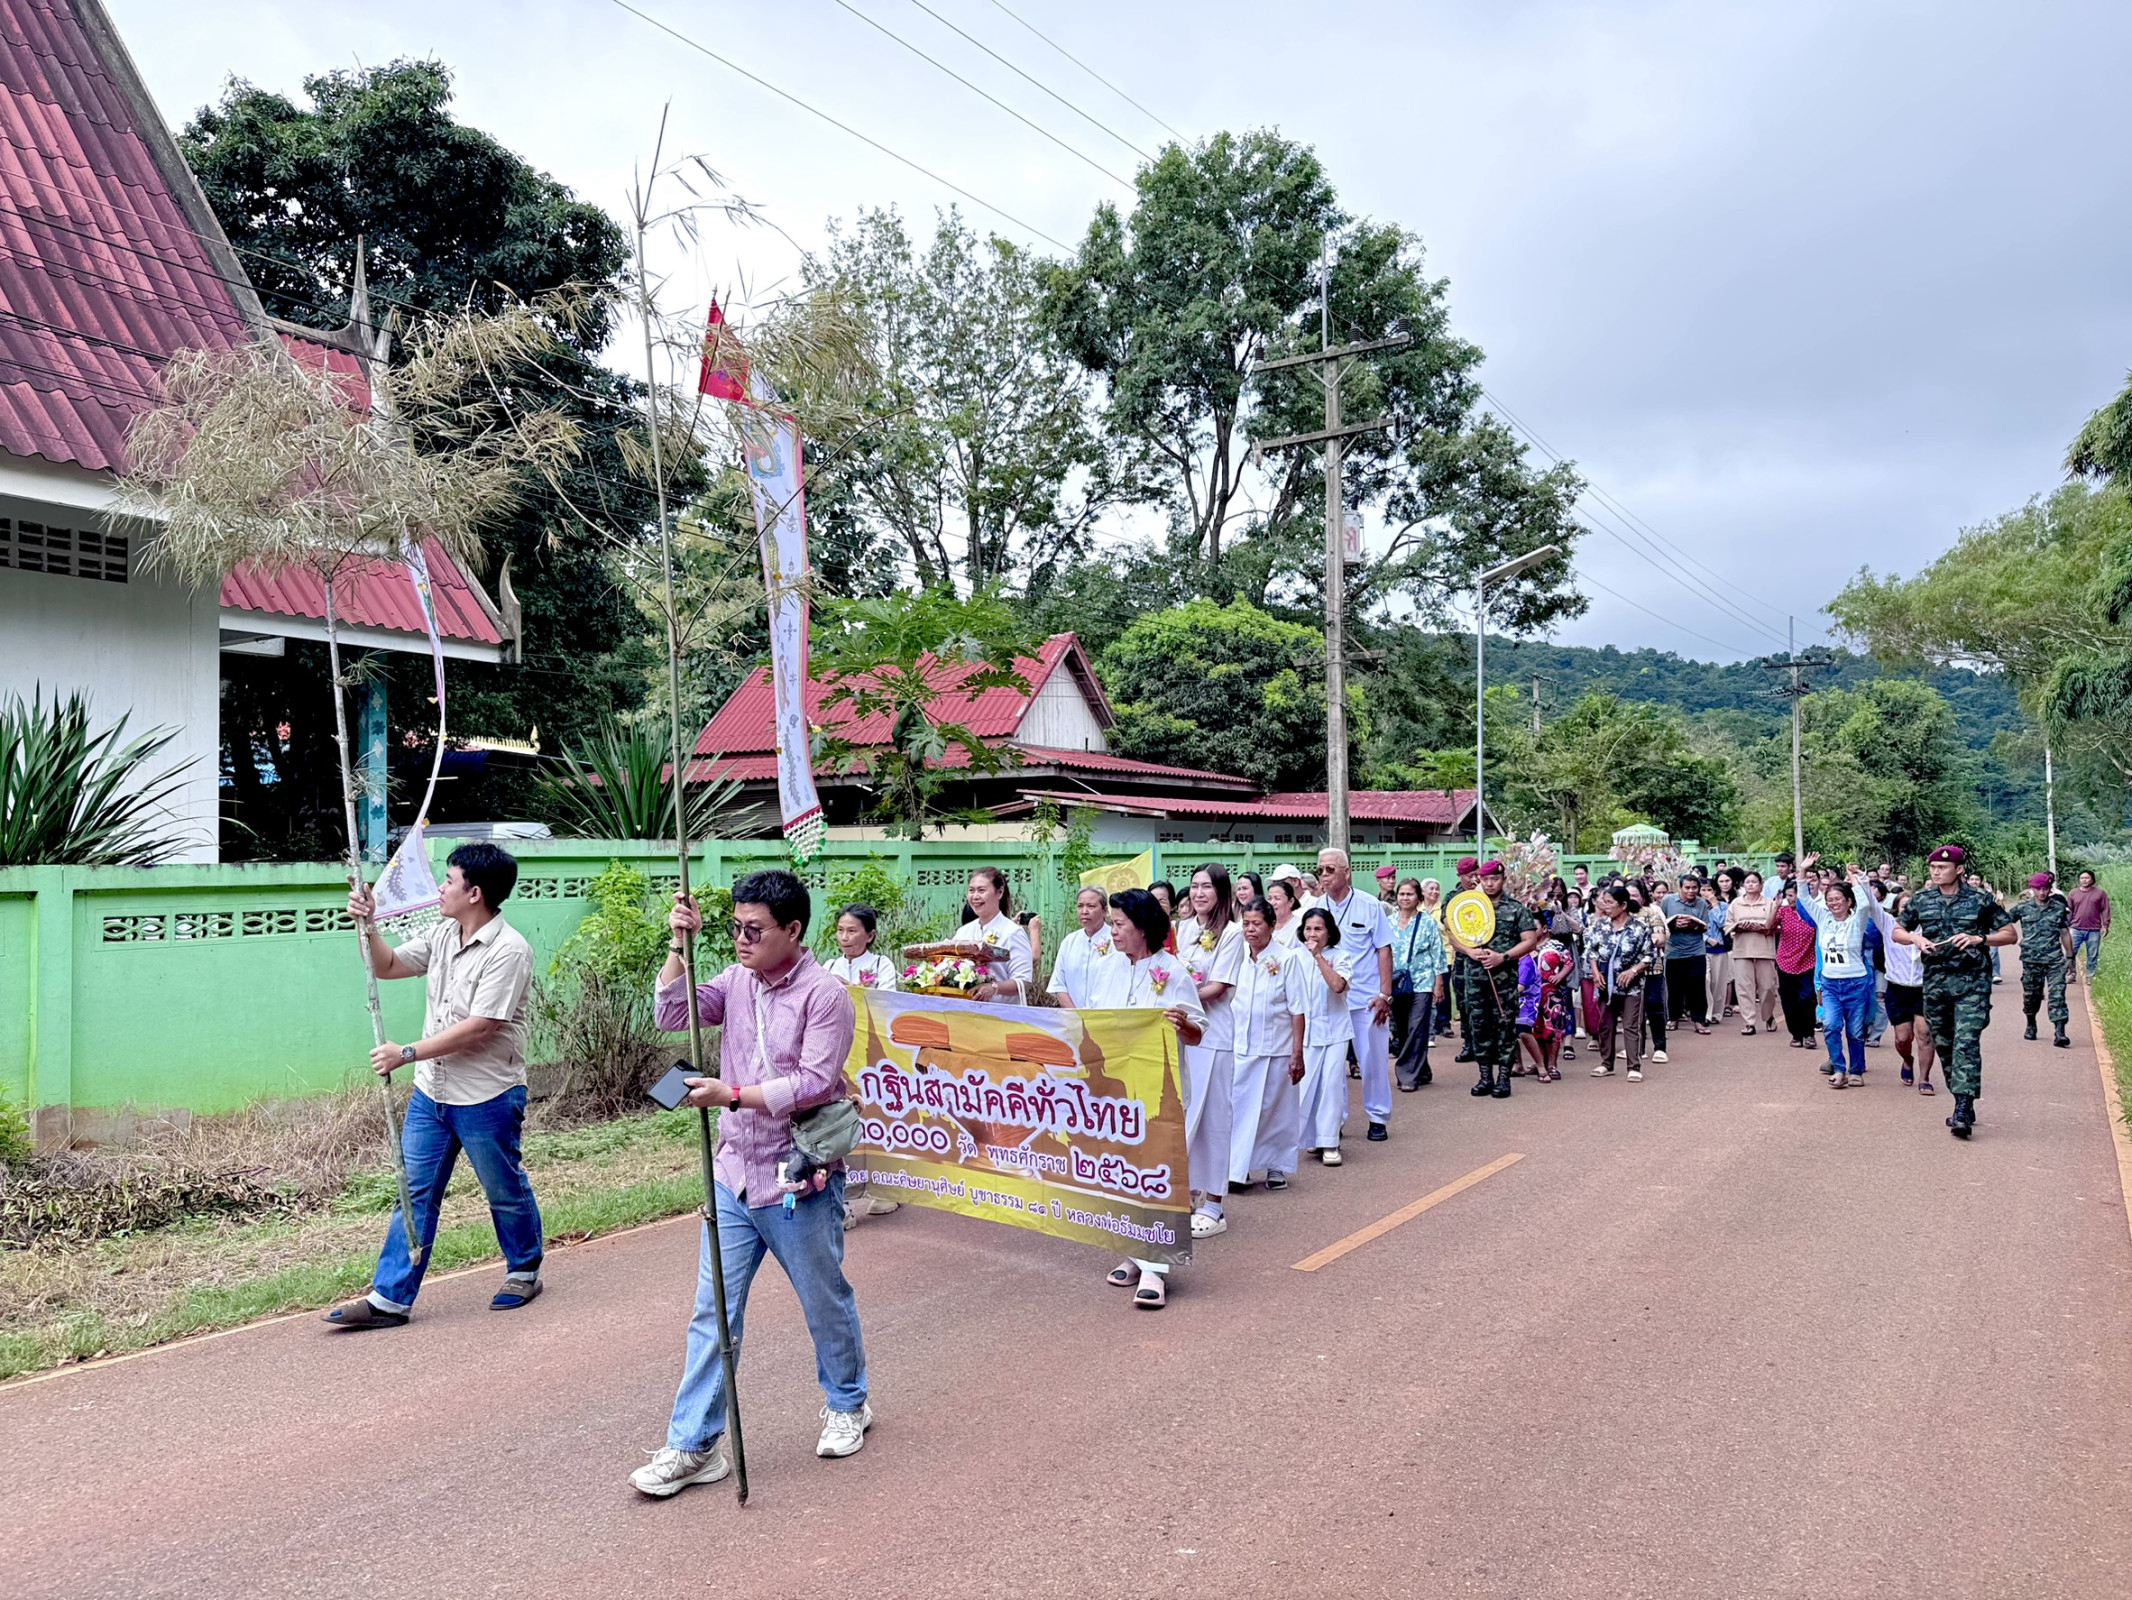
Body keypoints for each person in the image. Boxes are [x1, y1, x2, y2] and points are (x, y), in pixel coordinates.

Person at [632, 869, 867, 1495]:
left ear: (793, 929)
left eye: (754, 930)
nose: (741, 939)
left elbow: (813, 1083)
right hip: (733, 1175)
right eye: (735, 928)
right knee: (713, 1313)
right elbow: (671, 1013)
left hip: (798, 1176)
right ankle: (694, 1446)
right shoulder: (735, 981)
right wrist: (679, 944)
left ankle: (847, 1403)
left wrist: (730, 1094)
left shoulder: (826, 995)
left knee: (822, 1299)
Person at [326, 844, 541, 1330]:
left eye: (449, 880)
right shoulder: (443, 934)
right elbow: (386, 966)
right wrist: (368, 925)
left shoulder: (509, 951)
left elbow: (482, 1026)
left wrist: (407, 1053)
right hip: (432, 1093)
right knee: (414, 1192)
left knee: (503, 1189)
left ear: (475, 893)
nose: (440, 889)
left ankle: (524, 1269)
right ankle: (390, 1298)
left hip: (486, 1094)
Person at [1100, 888, 1205, 1309]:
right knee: (1124, 1173)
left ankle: (1156, 1268)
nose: (1112, 932)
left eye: (1119, 925)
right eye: (1112, 924)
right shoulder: (1108, 968)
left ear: (1142, 928)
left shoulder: (1172, 971)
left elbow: (1197, 1034)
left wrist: (1182, 1025)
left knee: (1157, 1175)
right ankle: (1132, 1251)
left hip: (1162, 1094)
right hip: (1117, 1092)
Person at [1893, 844, 2020, 1140]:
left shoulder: (1980, 900)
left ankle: (1962, 1107)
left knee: (1966, 1042)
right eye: (1933, 867)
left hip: (1972, 983)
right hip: (1936, 984)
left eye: (1943, 867)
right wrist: (1915, 939)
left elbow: (2010, 934)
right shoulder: (1922, 899)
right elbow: (1897, 931)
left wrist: (1979, 939)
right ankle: (1962, 1097)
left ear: (1959, 869)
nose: (1936, 872)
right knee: (1945, 1045)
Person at [1174, 865, 1246, 1239]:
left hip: (1213, 1035)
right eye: (1194, 886)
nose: (1199, 893)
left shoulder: (1232, 934)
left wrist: (1178, 1001)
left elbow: (1217, 987)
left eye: (1207, 886)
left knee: (1214, 1118)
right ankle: (1185, 1193)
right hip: (1184, 1035)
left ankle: (1215, 1205)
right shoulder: (1183, 929)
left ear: (1221, 892)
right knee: (1185, 1115)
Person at [1444, 860, 1544, 1099]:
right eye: (1486, 879)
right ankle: (1485, 1077)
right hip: (1475, 977)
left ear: (1503, 880)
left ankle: (1503, 1078)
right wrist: (1468, 951)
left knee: (1505, 1027)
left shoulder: (1516, 909)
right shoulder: (1470, 905)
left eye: (1495, 879)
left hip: (1504, 980)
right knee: (1479, 1026)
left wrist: (1503, 956)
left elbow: (1530, 941)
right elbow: (1452, 933)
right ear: (1479, 879)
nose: (1490, 883)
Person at [1317, 847, 1397, 1141]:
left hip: (1366, 999)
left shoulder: (1369, 905)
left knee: (1372, 1061)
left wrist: (1385, 994)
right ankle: (1333, 1121)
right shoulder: (1316, 909)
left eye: (1330, 869)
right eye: (1320, 870)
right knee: (1332, 1066)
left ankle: (1377, 1117)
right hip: (1330, 1000)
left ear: (1346, 872)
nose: (1324, 875)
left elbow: (1384, 950)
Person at [1227, 901, 1307, 1192]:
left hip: (1278, 1048)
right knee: (1239, 1109)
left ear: (1272, 926)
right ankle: (1238, 1169)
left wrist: (1297, 1053)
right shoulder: (1236, 957)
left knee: (1277, 1110)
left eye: (1257, 924)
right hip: (1241, 1047)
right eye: (1246, 923)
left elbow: (1298, 1010)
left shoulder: (1288, 959)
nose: (1250, 930)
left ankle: (1276, 1165)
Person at [1291, 907, 1356, 1166]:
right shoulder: (1294, 957)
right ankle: (1312, 1138)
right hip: (1305, 1033)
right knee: (1305, 1087)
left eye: (1318, 929)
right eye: (1308, 928)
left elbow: (1338, 986)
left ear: (1329, 932)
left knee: (1331, 1085)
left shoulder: (1341, 956)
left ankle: (1330, 1142)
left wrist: (1318, 956)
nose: (1312, 934)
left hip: (1335, 1031)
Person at [1797, 866, 1873, 1088]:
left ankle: (1856, 1070)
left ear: (1848, 901)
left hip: (1856, 983)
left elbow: (1865, 904)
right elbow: (1804, 898)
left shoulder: (1857, 920)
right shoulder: (1822, 918)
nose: (1833, 903)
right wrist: (1802, 871)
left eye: (1838, 899)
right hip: (1830, 983)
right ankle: (1839, 1069)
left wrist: (1853, 878)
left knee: (1855, 1031)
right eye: (1830, 899)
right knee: (1830, 1025)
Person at [1861, 881, 1937, 1094]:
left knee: (1924, 1034)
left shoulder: (1931, 928)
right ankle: (1907, 1060)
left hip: (1924, 988)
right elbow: (1872, 903)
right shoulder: (1888, 924)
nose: (1909, 911)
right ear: (1896, 908)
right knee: (1903, 1038)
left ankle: (1924, 1078)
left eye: (1914, 906)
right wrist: (1861, 879)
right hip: (1897, 989)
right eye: (1904, 906)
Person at [1584, 883, 1655, 1080]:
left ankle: (1634, 1066)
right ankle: (1606, 1063)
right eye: (1604, 902)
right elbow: (1591, 950)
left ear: (1623, 905)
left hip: (1631, 987)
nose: (1605, 907)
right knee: (1605, 1025)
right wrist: (1595, 972)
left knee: (1631, 1025)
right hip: (1605, 984)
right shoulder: (1600, 925)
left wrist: (1633, 970)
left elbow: (1649, 956)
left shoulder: (1639, 928)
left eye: (1610, 903)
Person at [1388, 876, 1447, 1091]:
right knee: (1403, 1029)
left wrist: (1438, 984)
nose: (1405, 898)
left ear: (1418, 898)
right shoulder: (1388, 922)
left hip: (1422, 982)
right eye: (1401, 894)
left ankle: (1407, 1076)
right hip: (1396, 983)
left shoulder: (1428, 922)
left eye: (1409, 894)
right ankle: (1422, 1070)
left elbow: (1438, 953)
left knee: (1417, 1027)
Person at [948, 867, 1034, 1001]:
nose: (975, 896)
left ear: (999, 892)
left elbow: (1024, 982)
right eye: (971, 890)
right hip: (966, 1011)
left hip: (1002, 1012)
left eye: (981, 890)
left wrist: (994, 988)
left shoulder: (1013, 932)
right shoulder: (963, 932)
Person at [2013, 871, 2074, 1048]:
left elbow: (2064, 932)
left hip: (2054, 959)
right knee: (2031, 996)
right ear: (2031, 889)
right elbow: (2003, 923)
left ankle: (2060, 1032)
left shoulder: (2058, 907)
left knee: (2057, 994)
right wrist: (2015, 939)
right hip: (2031, 960)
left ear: (2050, 889)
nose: (2042, 893)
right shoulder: (2022, 907)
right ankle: (2031, 1023)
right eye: (2038, 889)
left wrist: (2070, 956)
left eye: (2045, 889)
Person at [1049, 885, 1124, 1008]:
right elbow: (1059, 984)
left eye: (1091, 906)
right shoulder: (1069, 942)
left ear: (1105, 910)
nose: (1084, 911)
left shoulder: (1117, 940)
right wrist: (1076, 1015)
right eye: (1080, 906)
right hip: (1072, 1016)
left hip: (1107, 1015)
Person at [1727, 870, 1780, 1035]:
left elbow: (1777, 925)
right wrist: (1739, 927)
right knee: (1744, 987)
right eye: (1747, 882)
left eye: (1754, 882)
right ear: (1743, 885)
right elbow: (1727, 925)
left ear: (1761, 885)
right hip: (1742, 950)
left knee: (1768, 987)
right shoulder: (1736, 904)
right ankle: (1749, 1022)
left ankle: (1768, 1015)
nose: (1750, 885)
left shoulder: (1769, 903)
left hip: (1765, 950)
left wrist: (1762, 927)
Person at [1660, 873, 1712, 1034]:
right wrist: (1674, 925)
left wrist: (1692, 925)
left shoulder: (1701, 903)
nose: (1691, 891)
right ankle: (1673, 1018)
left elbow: (1705, 926)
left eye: (1694, 888)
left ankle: (1698, 1020)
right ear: (1680, 888)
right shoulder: (1668, 900)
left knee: (1698, 987)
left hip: (1696, 951)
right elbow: (1661, 923)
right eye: (1687, 888)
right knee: (1674, 987)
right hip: (1673, 951)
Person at [1628, 883, 1672, 1062]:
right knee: (1632, 1010)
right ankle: (1637, 1049)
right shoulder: (1619, 916)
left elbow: (1660, 939)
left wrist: (1637, 946)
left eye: (1635, 895)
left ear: (1642, 896)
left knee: (1654, 1006)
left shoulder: (1651, 913)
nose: (1631, 899)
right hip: (1627, 970)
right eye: (1628, 895)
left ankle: (1660, 1047)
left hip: (1652, 967)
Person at [1774, 884, 1819, 1048]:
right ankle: (1796, 1034)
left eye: (1794, 895)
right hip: (1785, 962)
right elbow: (1768, 925)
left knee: (1807, 998)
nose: (1791, 899)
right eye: (1789, 895)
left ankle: (1809, 1034)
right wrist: (1776, 906)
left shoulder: (1814, 912)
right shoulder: (1784, 911)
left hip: (1808, 962)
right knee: (1789, 999)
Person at [825, 903, 899, 992]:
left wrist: (851, 987)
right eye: (840, 930)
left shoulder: (881, 965)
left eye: (851, 931)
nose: (844, 937)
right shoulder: (830, 967)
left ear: (870, 936)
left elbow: (886, 999)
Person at [2069, 869, 2110, 982]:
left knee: (2092, 954)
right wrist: (2066, 925)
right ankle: (2071, 974)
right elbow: (2069, 910)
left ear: (2092, 880)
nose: (2084, 880)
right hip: (2075, 928)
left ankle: (2090, 976)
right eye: (2082, 878)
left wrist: (2105, 925)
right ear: (2079, 880)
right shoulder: (2073, 893)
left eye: (2087, 878)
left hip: (2094, 929)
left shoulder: (2100, 893)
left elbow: (2105, 909)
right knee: (2070, 952)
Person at [1702, 877, 1733, 1022]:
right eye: (1703, 890)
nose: (1706, 893)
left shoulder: (1724, 906)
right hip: (1702, 949)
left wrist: (1715, 905)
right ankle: (1706, 1014)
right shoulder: (1697, 906)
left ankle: (1716, 1014)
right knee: (1706, 980)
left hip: (1720, 949)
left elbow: (1722, 923)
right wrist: (1707, 938)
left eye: (1709, 890)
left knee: (1719, 983)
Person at [1264, 876, 1305, 947]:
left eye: (1277, 898)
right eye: (1269, 898)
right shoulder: (1264, 924)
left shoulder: (1299, 926)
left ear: (1291, 901)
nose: (1272, 903)